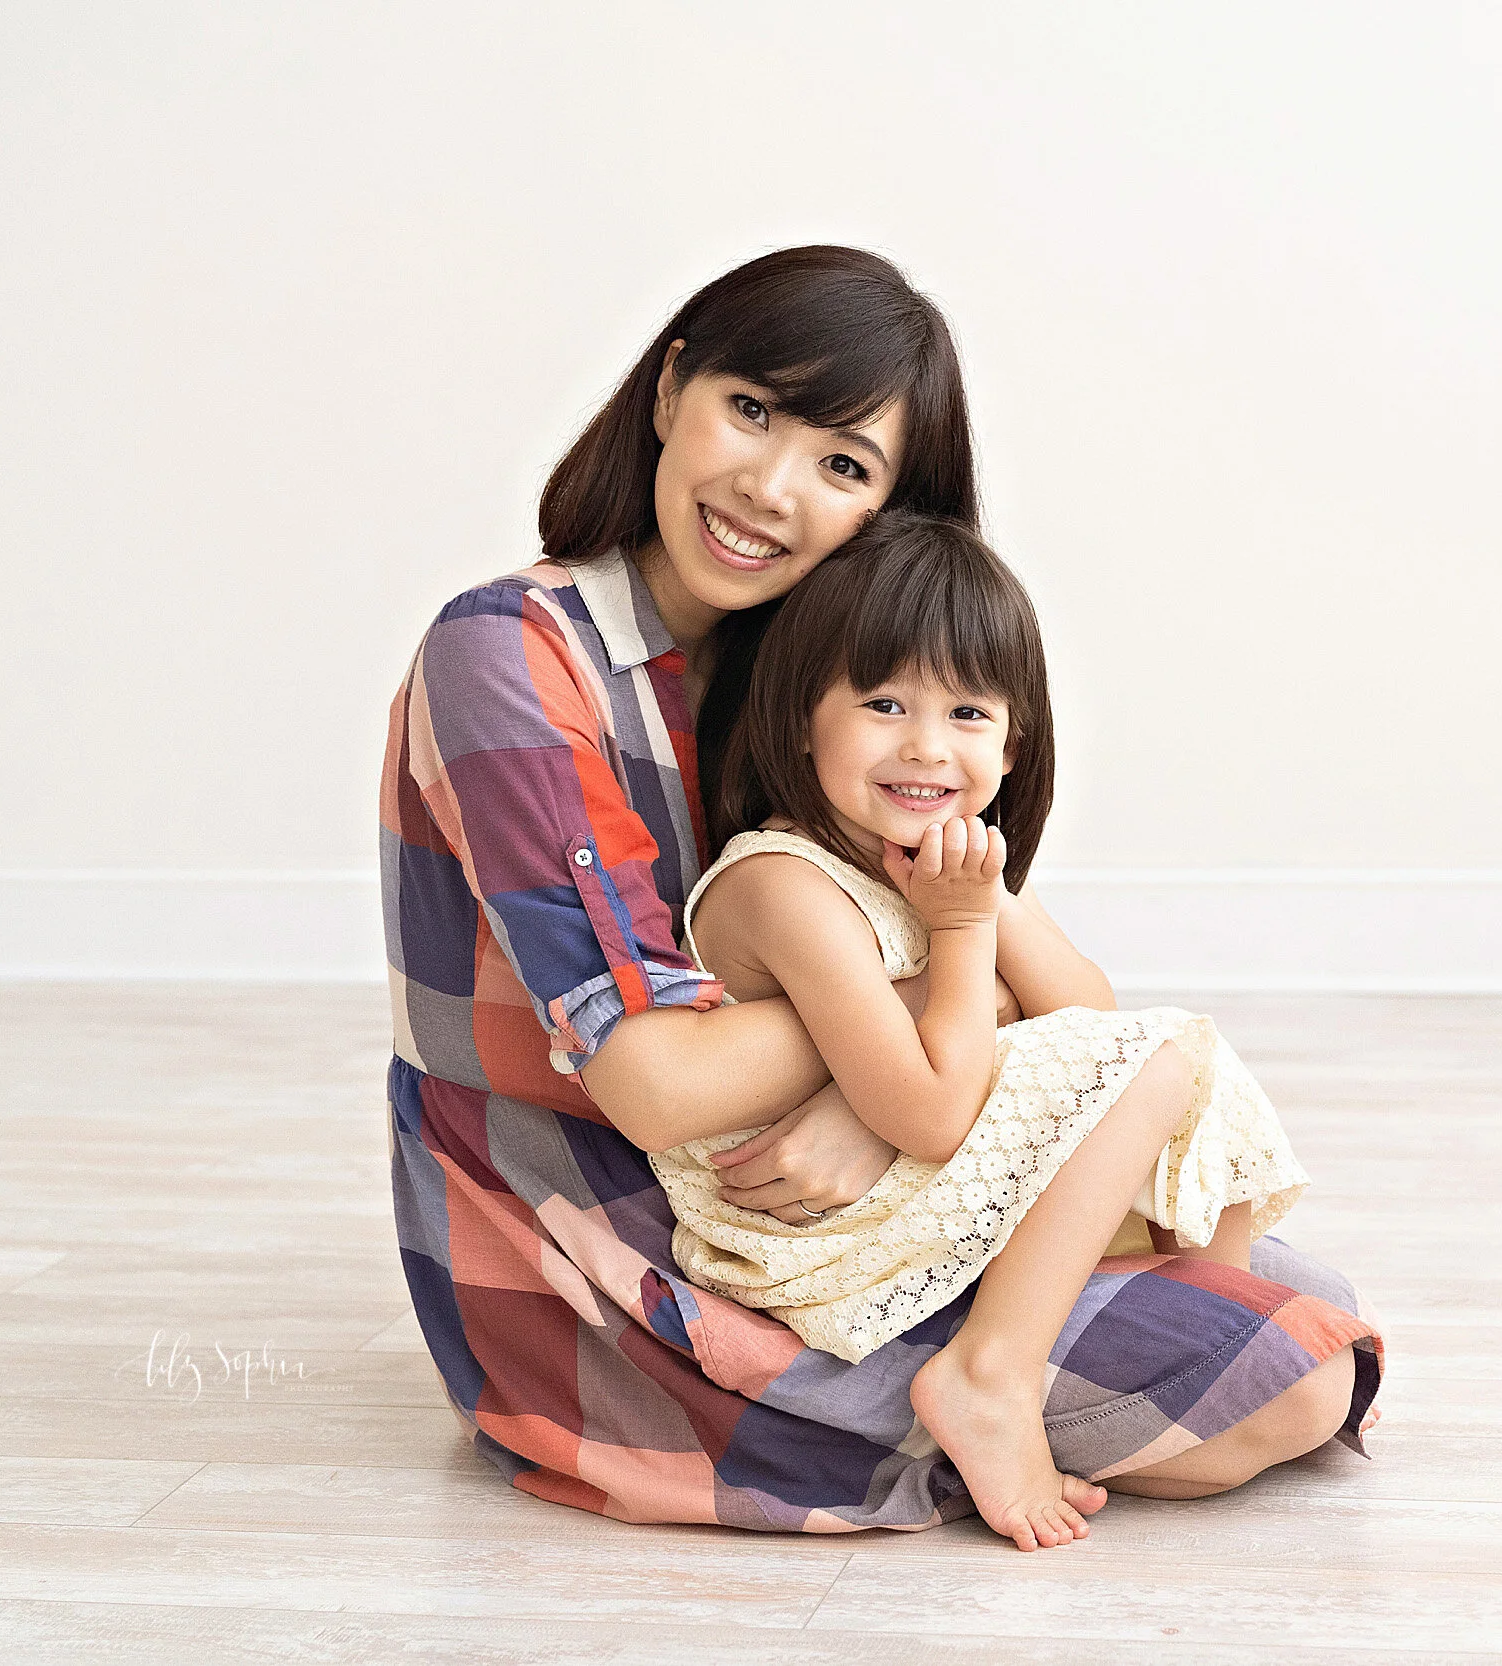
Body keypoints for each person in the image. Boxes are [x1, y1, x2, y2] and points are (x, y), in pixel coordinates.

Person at [382, 245, 1381, 1532]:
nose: (770, 488)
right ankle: (962, 1401)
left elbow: (1033, 996)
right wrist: (890, 1049)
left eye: (844, 465)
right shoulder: (511, 652)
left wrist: (884, 1088)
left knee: (1299, 1301)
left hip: (838, 1197)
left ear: (893, 510)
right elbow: (655, 1083)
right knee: (1287, 1375)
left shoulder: (823, 674)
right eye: (750, 409)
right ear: (670, 388)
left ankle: (986, 1381)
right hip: (609, 1240)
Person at [648, 513, 1310, 1549]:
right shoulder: (785, 885)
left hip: (901, 1183)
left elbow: (1087, 1011)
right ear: (802, 721)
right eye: (883, 704)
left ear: (1012, 741)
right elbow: (930, 1112)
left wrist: (986, 905)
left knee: (1185, 1057)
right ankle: (989, 1374)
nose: (926, 745)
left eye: (966, 711)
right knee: (1154, 1063)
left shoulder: (950, 858)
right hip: (807, 1232)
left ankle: (1190, 1299)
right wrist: (961, 933)